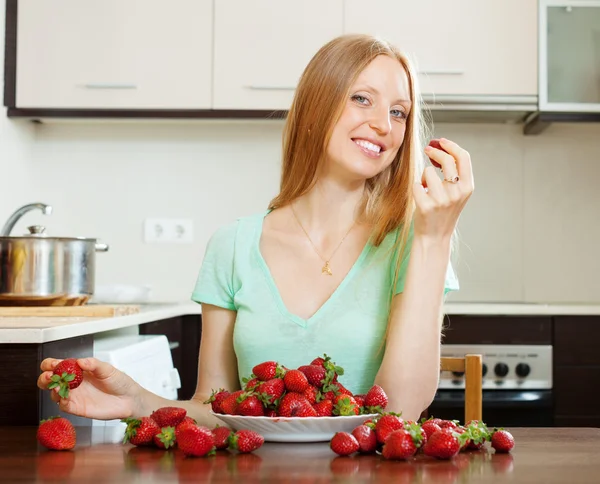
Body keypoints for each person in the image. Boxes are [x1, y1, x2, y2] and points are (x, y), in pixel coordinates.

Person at [37, 34, 473, 425]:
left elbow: (399, 409)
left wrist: (434, 238)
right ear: (315, 107)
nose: (385, 125)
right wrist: (136, 400)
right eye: (362, 98)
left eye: (399, 112)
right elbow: (216, 406)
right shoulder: (231, 246)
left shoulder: (415, 243)